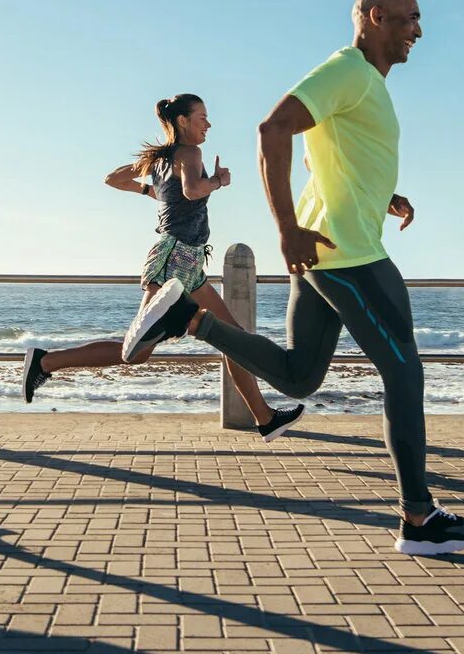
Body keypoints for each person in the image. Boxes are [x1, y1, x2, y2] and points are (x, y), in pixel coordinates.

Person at [120, 0, 464, 557]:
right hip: (345, 253)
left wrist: (383, 196)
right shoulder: (346, 71)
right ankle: (418, 519)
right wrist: (287, 228)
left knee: (299, 378)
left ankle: (188, 323)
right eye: (411, 19)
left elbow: (341, 158)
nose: (419, 31)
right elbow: (272, 130)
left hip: (330, 247)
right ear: (376, 17)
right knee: (404, 370)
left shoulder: (365, 83)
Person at [21, 94, 305, 441]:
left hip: (189, 263)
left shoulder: (161, 159)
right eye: (202, 117)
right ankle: (45, 362)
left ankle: (265, 418)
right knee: (136, 352)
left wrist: (154, 190)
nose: (208, 124)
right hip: (174, 259)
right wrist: (218, 182)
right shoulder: (190, 153)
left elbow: (114, 178)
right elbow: (191, 191)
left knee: (234, 340)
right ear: (183, 120)